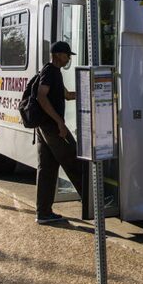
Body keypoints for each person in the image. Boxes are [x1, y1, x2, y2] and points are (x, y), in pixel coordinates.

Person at [34, 41, 84, 224]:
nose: (69, 58)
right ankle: (94, 205)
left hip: (44, 127)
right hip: (52, 127)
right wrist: (59, 122)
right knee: (75, 161)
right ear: (57, 55)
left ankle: (43, 213)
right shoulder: (50, 72)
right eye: (66, 55)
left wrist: (88, 92)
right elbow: (41, 95)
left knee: (47, 169)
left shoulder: (54, 72)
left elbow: (68, 95)